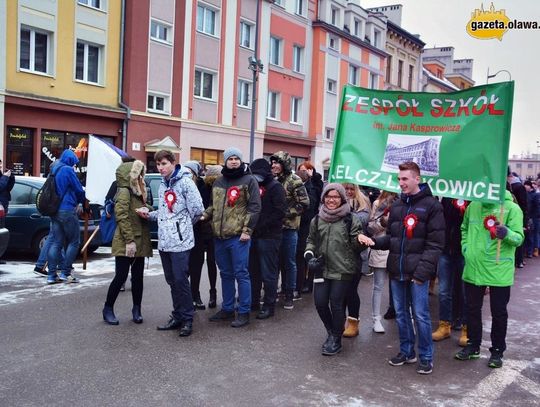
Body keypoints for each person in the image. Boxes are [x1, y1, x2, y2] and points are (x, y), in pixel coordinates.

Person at [358, 162, 445, 375]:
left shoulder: (432, 206)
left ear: (417, 178)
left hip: (418, 273)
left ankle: (426, 357)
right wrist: (373, 242)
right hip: (397, 270)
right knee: (401, 314)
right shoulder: (397, 205)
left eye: (405, 179)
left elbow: (435, 245)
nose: (401, 183)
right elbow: (393, 238)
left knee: (421, 315)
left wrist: (422, 273)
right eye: (399, 179)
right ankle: (406, 351)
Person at [137, 150, 204, 337]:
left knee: (181, 280)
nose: (161, 168)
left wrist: (182, 226)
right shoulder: (163, 185)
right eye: (158, 165)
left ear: (173, 163)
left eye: (164, 164)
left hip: (181, 242)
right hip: (165, 242)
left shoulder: (185, 183)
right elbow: (165, 213)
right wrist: (149, 214)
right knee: (172, 280)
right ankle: (178, 315)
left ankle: (188, 318)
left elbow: (198, 210)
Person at [455, 189, 523, 368]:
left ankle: (497, 351)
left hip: (498, 268)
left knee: (499, 312)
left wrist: (507, 233)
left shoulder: (512, 208)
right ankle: (473, 346)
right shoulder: (474, 206)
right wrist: (466, 249)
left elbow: (519, 238)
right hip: (474, 267)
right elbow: (464, 228)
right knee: (472, 309)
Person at [203, 148, 261, 328]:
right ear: (225, 161)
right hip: (219, 237)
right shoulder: (219, 181)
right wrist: (205, 215)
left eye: (237, 158)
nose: (234, 161)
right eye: (231, 158)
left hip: (238, 237)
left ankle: (244, 311)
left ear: (241, 161)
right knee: (226, 274)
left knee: (241, 274)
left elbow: (254, 207)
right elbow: (213, 206)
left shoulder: (249, 180)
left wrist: (247, 230)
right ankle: (227, 308)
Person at [304, 183, 364, 355]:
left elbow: (356, 246)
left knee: (336, 304)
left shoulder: (351, 219)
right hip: (322, 269)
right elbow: (311, 241)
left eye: (336, 197)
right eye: (328, 197)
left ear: (342, 198)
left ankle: (336, 338)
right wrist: (309, 257)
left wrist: (360, 240)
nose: (331, 200)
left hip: (343, 269)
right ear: (323, 198)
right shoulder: (317, 219)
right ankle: (332, 332)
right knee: (320, 303)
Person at [102, 160, 153, 325]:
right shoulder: (124, 191)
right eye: (138, 174)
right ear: (131, 175)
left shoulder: (138, 191)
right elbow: (122, 215)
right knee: (121, 276)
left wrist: (148, 210)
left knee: (138, 277)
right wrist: (130, 240)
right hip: (127, 241)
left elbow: (142, 207)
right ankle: (108, 309)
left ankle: (136, 309)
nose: (141, 177)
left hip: (141, 239)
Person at [270, 151, 310, 309]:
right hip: (273, 228)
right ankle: (274, 292)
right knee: (275, 262)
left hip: (289, 228)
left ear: (284, 164)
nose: (274, 165)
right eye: (272, 162)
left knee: (289, 262)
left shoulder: (295, 180)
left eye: (277, 162)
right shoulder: (271, 179)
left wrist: (285, 213)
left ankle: (289, 293)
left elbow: (304, 203)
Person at [248, 158, 286, 319]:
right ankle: (254, 301)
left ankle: (269, 305)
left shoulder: (276, 187)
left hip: (270, 236)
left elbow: (279, 212)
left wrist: (261, 225)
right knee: (253, 271)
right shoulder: (255, 186)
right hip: (255, 235)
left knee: (268, 273)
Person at [46, 149, 87, 285]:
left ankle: (51, 275)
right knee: (74, 241)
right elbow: (79, 189)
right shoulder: (68, 170)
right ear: (70, 161)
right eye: (74, 163)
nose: (74, 166)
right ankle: (65, 273)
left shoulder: (54, 169)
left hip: (54, 210)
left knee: (56, 243)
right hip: (67, 209)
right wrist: (82, 201)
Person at [432, 197, 468, 345]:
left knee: (466, 292)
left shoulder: (473, 197)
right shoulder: (447, 196)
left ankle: (467, 329)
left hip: (464, 251)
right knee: (444, 291)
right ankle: (444, 325)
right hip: (446, 249)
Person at [184, 160, 215, 310]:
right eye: (185, 171)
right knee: (185, 267)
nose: (187, 175)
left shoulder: (204, 187)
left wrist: (204, 216)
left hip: (201, 230)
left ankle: (195, 295)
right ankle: (186, 297)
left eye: (190, 172)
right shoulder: (179, 186)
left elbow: (211, 205)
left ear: (195, 174)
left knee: (197, 264)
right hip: (184, 231)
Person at [342, 183, 371, 338]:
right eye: (346, 189)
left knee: (351, 290)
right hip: (338, 255)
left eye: (352, 189)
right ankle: (339, 320)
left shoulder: (363, 204)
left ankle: (353, 322)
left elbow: (361, 222)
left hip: (356, 255)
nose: (349, 192)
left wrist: (342, 212)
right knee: (339, 291)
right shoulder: (336, 201)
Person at [366, 190, 397, 334]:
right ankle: (376, 319)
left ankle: (404, 316)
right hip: (381, 248)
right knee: (378, 285)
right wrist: (383, 222)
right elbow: (370, 227)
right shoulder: (378, 203)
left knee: (399, 284)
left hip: (397, 248)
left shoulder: (405, 203)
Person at [296, 161, 320, 295]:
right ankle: (300, 282)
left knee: (307, 255)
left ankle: (308, 282)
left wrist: (314, 177)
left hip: (308, 225)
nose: (302, 172)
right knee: (299, 256)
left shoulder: (312, 187)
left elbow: (311, 206)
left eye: (305, 170)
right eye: (301, 170)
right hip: (298, 226)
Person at [507, 170, 527, 268]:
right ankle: (518, 261)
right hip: (514, 214)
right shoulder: (515, 186)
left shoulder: (518, 186)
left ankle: (519, 260)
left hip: (516, 214)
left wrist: (524, 222)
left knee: (516, 238)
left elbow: (523, 204)